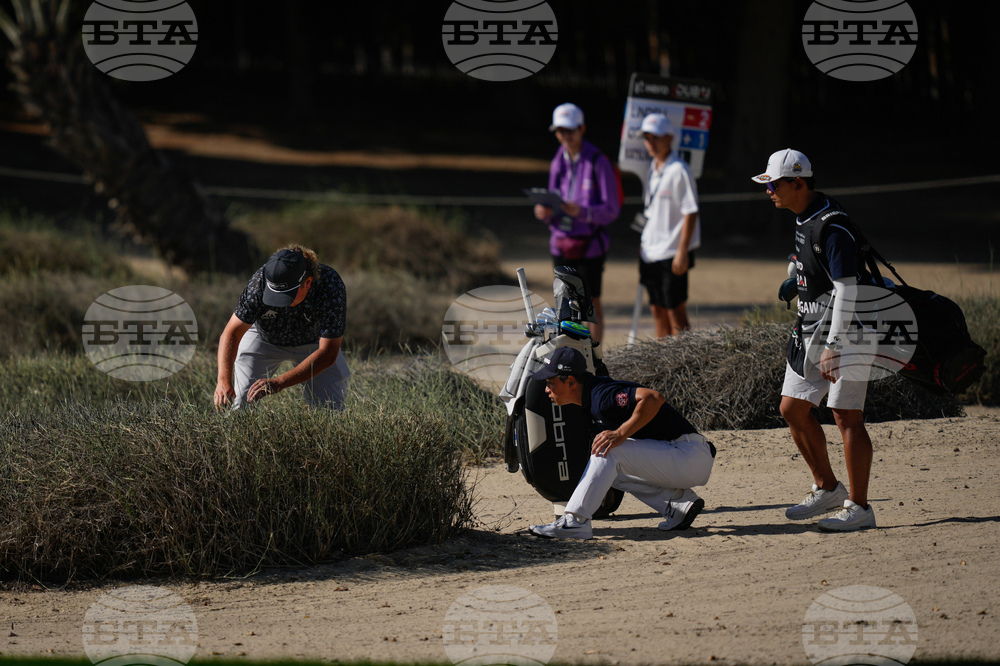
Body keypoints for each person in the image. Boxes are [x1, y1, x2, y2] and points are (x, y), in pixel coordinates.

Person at [751, 148, 876, 532]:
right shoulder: (803, 216)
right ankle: (828, 487)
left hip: (849, 330)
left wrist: (836, 345)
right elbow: (820, 270)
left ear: (797, 183)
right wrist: (800, 279)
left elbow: (848, 290)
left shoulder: (831, 227)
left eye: (773, 184)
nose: (769, 190)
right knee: (792, 408)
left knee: (846, 416)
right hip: (811, 328)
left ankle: (859, 507)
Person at [527, 347, 715, 539]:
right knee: (611, 470)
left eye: (551, 382)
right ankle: (678, 504)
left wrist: (620, 433)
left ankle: (575, 521)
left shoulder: (601, 397)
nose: (546, 388)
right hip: (684, 458)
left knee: (608, 450)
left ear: (571, 382)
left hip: (687, 455)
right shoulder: (592, 398)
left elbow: (653, 398)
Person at [214, 245, 350, 410]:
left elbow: (328, 353)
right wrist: (223, 380)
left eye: (287, 296)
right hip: (264, 338)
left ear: (307, 283)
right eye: (274, 295)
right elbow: (232, 332)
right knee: (240, 406)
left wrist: (280, 382)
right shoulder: (259, 282)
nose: (279, 303)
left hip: (315, 345)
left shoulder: (330, 285)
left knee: (330, 410)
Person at [533, 103, 621, 342]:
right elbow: (553, 199)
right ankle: (571, 356)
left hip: (590, 245)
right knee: (564, 305)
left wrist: (583, 212)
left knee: (591, 304)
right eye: (560, 131)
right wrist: (545, 211)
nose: (565, 136)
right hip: (561, 243)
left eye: (569, 130)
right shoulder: (558, 160)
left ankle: (595, 355)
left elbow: (612, 209)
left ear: (582, 128)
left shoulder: (598, 161)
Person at [637, 113, 700, 338]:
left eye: (656, 137)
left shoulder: (679, 169)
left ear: (669, 138)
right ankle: (661, 363)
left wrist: (683, 251)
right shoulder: (652, 169)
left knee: (676, 310)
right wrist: (644, 241)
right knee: (657, 309)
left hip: (672, 252)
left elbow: (690, 211)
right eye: (647, 137)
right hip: (650, 251)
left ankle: (687, 362)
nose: (651, 143)